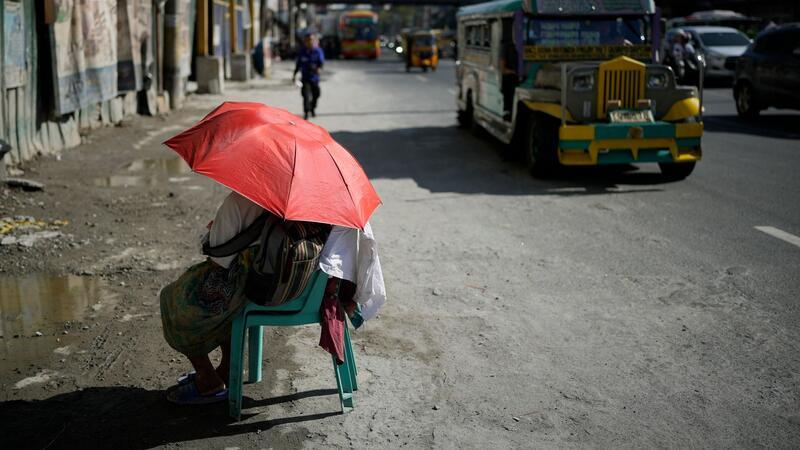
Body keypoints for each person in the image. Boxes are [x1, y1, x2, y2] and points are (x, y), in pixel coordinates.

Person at [160, 191, 386, 404]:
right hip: (312, 296)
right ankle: (228, 368)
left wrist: (213, 233)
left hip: (256, 293)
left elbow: (220, 259)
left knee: (174, 298)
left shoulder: (241, 202)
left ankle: (208, 378)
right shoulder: (337, 205)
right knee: (225, 291)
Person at [293, 33, 325, 120]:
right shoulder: (302, 51)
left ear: (314, 41)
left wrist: (319, 69)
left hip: (315, 78)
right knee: (306, 95)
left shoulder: (318, 51)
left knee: (317, 94)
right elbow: (298, 64)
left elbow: (321, 63)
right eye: (307, 40)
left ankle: (312, 108)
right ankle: (306, 112)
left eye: (311, 40)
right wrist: (294, 74)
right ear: (305, 41)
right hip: (305, 78)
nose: (309, 42)